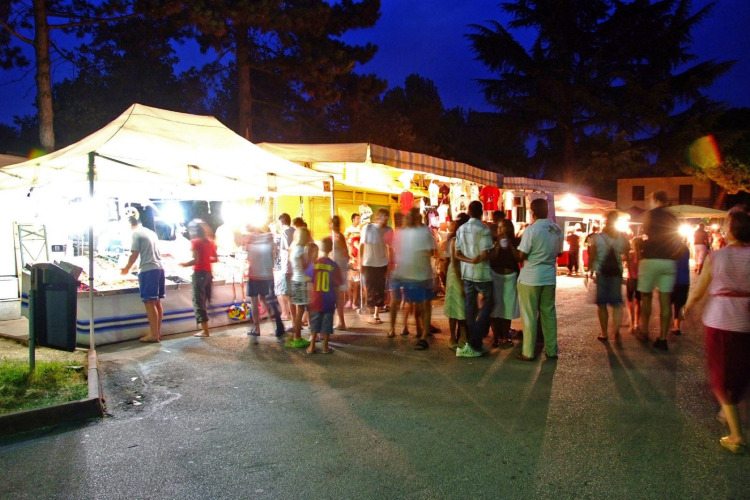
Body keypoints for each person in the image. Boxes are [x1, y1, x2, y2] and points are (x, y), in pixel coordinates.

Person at [684, 206, 750, 455]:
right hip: (746, 319)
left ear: (731, 230)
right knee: (742, 368)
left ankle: (736, 436)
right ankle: (728, 409)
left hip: (721, 321)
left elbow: (700, 290)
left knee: (722, 374)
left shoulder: (718, 257)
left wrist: (688, 306)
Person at [515, 197, 564, 361]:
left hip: (530, 278)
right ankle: (552, 350)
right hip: (549, 277)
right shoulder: (557, 229)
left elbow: (522, 255)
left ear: (532, 211)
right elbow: (560, 253)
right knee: (549, 314)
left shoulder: (531, 230)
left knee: (529, 315)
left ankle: (528, 352)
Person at [637, 190, 681, 351]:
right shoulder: (673, 217)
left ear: (655, 199)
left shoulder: (650, 215)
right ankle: (662, 338)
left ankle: (645, 330)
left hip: (650, 259)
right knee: (665, 300)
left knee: (646, 296)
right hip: (668, 261)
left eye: (650, 199)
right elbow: (677, 239)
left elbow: (644, 234)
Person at [388, 208, 436, 350]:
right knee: (414, 304)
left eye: (409, 217)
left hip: (421, 275)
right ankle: (417, 332)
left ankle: (423, 336)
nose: (406, 219)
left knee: (422, 305)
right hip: (408, 274)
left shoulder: (424, 232)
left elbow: (430, 252)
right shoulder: (404, 233)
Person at [454, 200, 494, 358]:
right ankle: (476, 340)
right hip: (482, 274)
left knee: (470, 309)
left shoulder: (461, 229)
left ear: (469, 212)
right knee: (489, 303)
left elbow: (457, 254)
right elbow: (485, 253)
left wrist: (470, 261)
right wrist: (477, 259)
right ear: (481, 212)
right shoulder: (483, 229)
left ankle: (474, 343)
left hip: (467, 273)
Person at [121, 206, 165, 343]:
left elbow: (134, 254)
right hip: (159, 269)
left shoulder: (136, 234)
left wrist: (126, 268)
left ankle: (153, 335)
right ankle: (157, 333)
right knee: (156, 302)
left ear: (129, 224)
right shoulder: (150, 232)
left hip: (148, 270)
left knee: (149, 302)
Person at [237, 223, 287, 339]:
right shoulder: (269, 238)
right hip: (268, 275)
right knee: (268, 301)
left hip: (254, 275)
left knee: (254, 302)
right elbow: (273, 255)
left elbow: (246, 254)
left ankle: (256, 328)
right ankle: (279, 326)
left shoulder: (249, 239)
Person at [590, 210, 630, 343]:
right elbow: (627, 252)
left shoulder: (598, 237)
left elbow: (592, 254)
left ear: (606, 221)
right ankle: (616, 331)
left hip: (602, 271)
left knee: (602, 304)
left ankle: (604, 333)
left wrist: (590, 270)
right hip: (616, 272)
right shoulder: (622, 237)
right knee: (616, 303)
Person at [180, 219, 218, 338]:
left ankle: (205, 331)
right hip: (208, 273)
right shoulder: (210, 242)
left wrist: (183, 264)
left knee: (199, 301)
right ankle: (206, 328)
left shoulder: (196, 242)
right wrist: (206, 260)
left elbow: (195, 260)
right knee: (206, 300)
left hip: (199, 274)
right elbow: (215, 259)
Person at [305, 237, 343, 354]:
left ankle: (312, 346)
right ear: (331, 248)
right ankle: (325, 346)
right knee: (327, 323)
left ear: (320, 248)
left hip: (316, 299)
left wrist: (309, 297)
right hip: (329, 299)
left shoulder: (314, 264)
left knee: (315, 322)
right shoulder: (333, 265)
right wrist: (337, 300)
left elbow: (309, 283)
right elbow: (337, 285)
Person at [489, 218, 520, 348]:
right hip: (496, 275)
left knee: (507, 307)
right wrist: (497, 244)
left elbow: (518, 257)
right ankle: (496, 337)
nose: (500, 229)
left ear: (509, 228)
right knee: (495, 307)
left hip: (510, 276)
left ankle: (505, 336)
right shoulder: (494, 241)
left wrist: (510, 244)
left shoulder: (516, 241)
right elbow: (492, 259)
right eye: (499, 227)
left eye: (503, 227)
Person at [359, 208, 393, 324]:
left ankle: (376, 314)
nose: (385, 219)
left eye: (387, 217)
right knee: (369, 289)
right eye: (383, 216)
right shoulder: (367, 228)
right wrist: (360, 262)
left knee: (380, 289)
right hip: (368, 263)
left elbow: (391, 248)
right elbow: (361, 246)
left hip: (382, 263)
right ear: (378, 217)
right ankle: (368, 313)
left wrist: (390, 264)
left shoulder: (388, 230)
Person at [443, 213, 470, 349]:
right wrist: (461, 283)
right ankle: (454, 337)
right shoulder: (455, 239)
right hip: (456, 275)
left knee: (460, 308)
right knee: (457, 308)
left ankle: (459, 337)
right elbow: (454, 263)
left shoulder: (458, 238)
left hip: (458, 274)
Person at [288, 227, 313, 348]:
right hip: (303, 281)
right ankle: (298, 336)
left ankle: (296, 336)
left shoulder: (294, 249)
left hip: (295, 280)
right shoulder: (302, 250)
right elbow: (306, 266)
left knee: (299, 310)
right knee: (302, 311)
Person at [274, 213, 295, 320]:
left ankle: (290, 317)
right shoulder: (295, 231)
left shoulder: (285, 233)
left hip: (287, 266)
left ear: (282, 222)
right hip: (295, 266)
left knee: (286, 293)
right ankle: (295, 318)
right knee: (291, 293)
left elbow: (287, 248)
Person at [330, 215, 349, 330]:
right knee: (338, 297)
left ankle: (341, 322)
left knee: (338, 297)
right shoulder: (337, 236)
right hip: (339, 269)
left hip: (339, 270)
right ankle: (340, 321)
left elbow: (344, 254)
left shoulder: (338, 237)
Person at [670, 241, 690, 336]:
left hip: (671, 279)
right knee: (678, 305)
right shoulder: (685, 248)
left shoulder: (668, 248)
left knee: (667, 303)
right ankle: (676, 326)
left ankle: (666, 324)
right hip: (684, 280)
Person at [626, 235, 643, 334]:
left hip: (631, 279)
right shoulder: (643, 256)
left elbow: (626, 266)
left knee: (629, 301)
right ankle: (637, 323)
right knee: (638, 302)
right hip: (640, 279)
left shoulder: (630, 255)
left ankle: (631, 322)